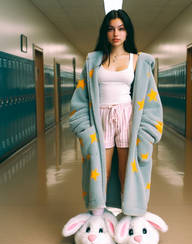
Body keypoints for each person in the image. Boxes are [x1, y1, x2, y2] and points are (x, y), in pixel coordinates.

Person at [69, 9, 163, 217]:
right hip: (100, 118)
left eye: (121, 28)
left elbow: (150, 98)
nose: (116, 33)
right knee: (101, 170)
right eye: (111, 29)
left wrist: (148, 132)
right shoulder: (93, 61)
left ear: (127, 32)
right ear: (105, 32)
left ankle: (128, 218)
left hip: (127, 117)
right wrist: (85, 130)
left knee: (125, 172)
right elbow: (80, 97)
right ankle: (99, 219)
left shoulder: (138, 61)